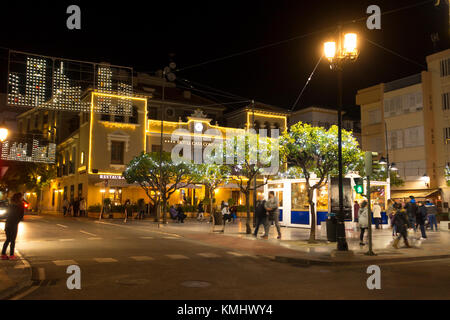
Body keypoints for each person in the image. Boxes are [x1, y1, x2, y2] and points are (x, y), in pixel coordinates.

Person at [2, 193, 24, 260]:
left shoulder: (10, 205)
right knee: (13, 240)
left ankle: (3, 254)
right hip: (14, 224)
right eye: (21, 197)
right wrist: (17, 221)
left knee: (8, 239)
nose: (22, 198)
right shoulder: (20, 205)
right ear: (19, 198)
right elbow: (21, 216)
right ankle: (11, 255)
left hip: (8, 224)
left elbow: (7, 214)